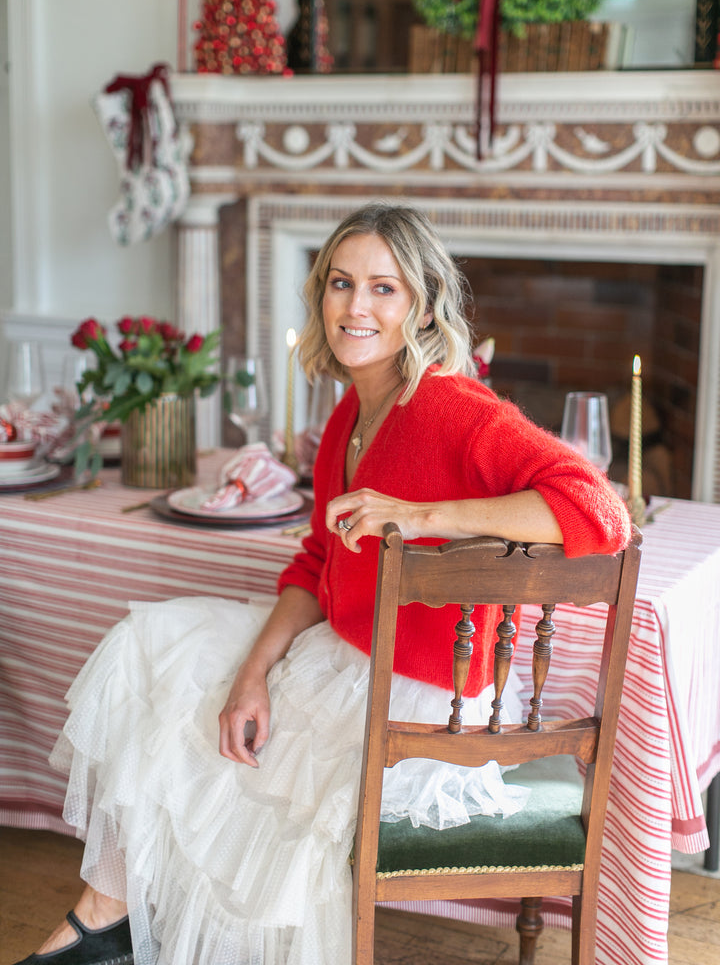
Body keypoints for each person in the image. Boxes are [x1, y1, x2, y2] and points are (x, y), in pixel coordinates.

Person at [14, 202, 631, 965]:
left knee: (222, 759)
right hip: (346, 653)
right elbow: (316, 563)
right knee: (154, 651)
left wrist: (416, 513)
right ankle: (102, 920)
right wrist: (253, 674)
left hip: (419, 699)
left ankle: (103, 934)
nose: (355, 306)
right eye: (341, 283)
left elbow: (600, 509)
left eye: (384, 288)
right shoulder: (348, 415)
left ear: (424, 305)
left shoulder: (450, 406)